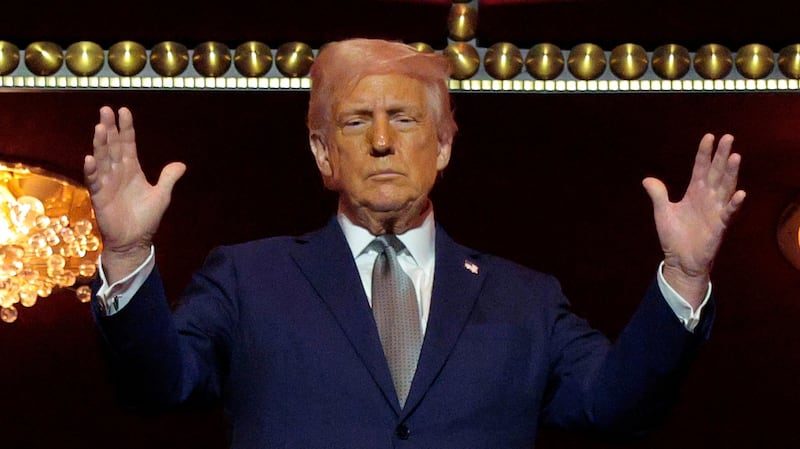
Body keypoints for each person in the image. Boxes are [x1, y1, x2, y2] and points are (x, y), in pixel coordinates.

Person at [84, 38, 746, 448]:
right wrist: (126, 259)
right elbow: (158, 388)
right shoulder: (246, 278)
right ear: (322, 152)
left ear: (445, 143)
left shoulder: (527, 300)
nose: (380, 140)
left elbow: (616, 407)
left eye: (403, 118)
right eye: (353, 121)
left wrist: (685, 276)